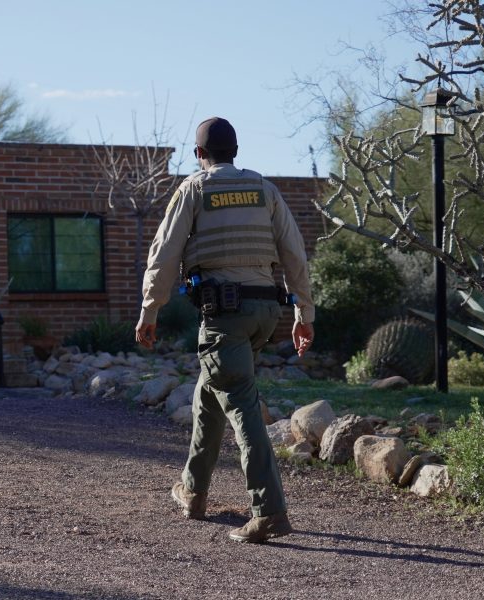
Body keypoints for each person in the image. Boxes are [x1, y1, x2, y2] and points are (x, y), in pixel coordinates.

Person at [135, 116, 315, 543]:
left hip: (224, 317)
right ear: (235, 151)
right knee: (209, 396)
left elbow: (164, 254)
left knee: (242, 407)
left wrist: (149, 309)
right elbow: (294, 252)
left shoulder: (194, 189)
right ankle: (193, 492)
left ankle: (269, 512)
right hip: (265, 314)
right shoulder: (264, 189)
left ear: (199, 154)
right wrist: (304, 314)